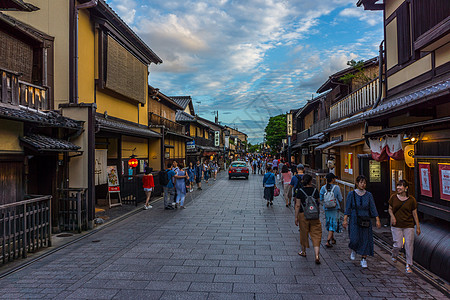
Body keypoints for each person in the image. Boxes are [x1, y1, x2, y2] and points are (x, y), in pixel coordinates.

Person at [343, 175, 381, 269]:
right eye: (361, 182)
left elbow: (373, 207)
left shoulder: (368, 195)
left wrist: (377, 219)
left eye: (364, 183)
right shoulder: (351, 194)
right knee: (354, 238)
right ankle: (354, 248)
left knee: (365, 239)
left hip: (365, 219)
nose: (363, 184)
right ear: (357, 183)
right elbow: (348, 207)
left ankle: (363, 259)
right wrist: (345, 219)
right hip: (354, 218)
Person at [388, 180, 420, 274]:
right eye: (398, 185)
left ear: (406, 188)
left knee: (409, 244)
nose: (398, 187)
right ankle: (394, 254)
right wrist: (392, 217)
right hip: (396, 225)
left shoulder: (411, 200)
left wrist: (417, 226)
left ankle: (408, 264)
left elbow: (414, 213)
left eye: (400, 186)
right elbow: (390, 209)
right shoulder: (393, 197)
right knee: (398, 244)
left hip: (408, 225)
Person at [294, 174, 322, 264]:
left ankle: (303, 251)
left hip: (303, 215)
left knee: (303, 233)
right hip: (314, 215)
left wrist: (296, 217)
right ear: (311, 181)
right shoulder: (315, 190)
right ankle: (317, 255)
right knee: (316, 234)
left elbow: (297, 205)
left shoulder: (300, 191)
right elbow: (318, 202)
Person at [319, 173, 343, 247]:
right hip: (335, 208)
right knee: (333, 223)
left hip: (326, 208)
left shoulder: (323, 188)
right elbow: (340, 198)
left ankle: (332, 239)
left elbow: (321, 198)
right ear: (333, 179)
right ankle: (328, 241)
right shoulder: (337, 188)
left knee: (329, 222)